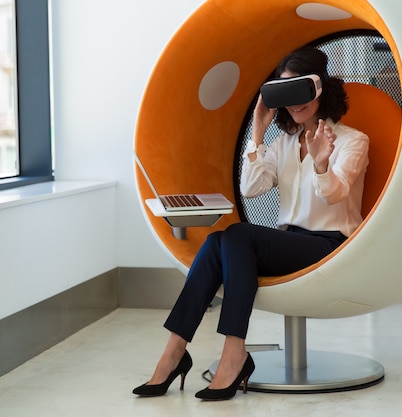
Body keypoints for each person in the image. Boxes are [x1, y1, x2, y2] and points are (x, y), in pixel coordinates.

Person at [132, 46, 369, 401]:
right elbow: (251, 188)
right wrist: (257, 135)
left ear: (320, 89)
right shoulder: (283, 143)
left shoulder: (352, 141)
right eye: (283, 93)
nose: (293, 102)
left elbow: (335, 195)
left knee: (236, 235)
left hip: (330, 244)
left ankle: (233, 355)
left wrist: (321, 163)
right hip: (290, 242)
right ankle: (175, 352)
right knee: (217, 242)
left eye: (299, 90)